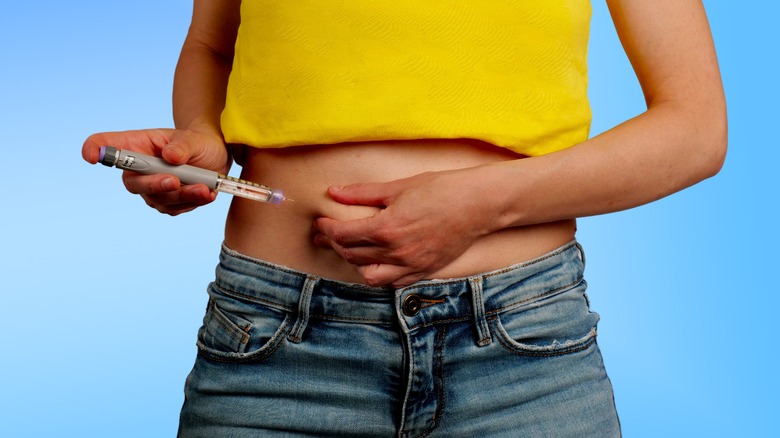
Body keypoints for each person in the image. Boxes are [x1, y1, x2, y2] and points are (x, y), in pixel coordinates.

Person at [82, 0, 726, 436]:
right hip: (274, 344)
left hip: (521, 354)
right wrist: (202, 143)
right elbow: (211, 46)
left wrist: (482, 203)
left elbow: (695, 129)